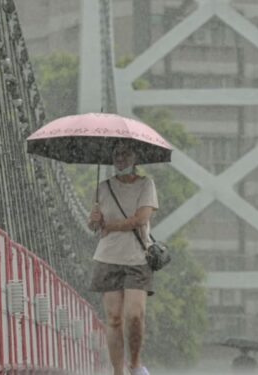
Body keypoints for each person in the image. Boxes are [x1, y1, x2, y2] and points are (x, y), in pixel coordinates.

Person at [88, 142, 158, 375]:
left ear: (135, 157)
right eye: (116, 154)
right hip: (108, 257)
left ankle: (136, 365)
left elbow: (141, 218)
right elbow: (94, 227)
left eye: (125, 153)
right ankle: (118, 371)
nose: (120, 158)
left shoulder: (146, 184)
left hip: (137, 258)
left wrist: (111, 225)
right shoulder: (103, 187)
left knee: (135, 315)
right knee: (114, 318)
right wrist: (95, 220)